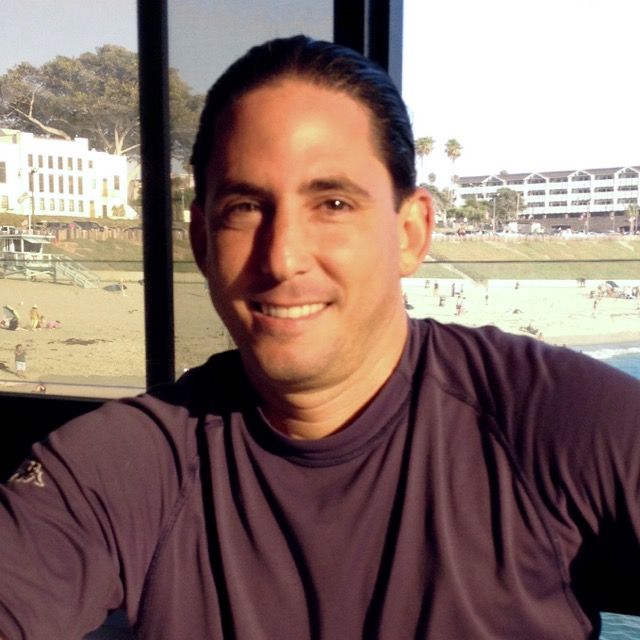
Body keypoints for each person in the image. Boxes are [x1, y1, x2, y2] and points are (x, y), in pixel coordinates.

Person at [0, 35, 639, 640]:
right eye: (244, 208)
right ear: (201, 240)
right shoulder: (121, 469)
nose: (282, 259)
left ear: (411, 233)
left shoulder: (556, 419)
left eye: (333, 204)